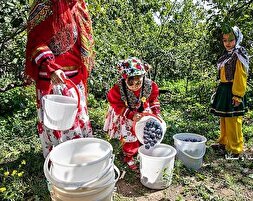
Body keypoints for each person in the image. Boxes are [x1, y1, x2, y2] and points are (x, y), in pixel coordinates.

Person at [25, 0, 95, 158]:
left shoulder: (79, 6)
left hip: (74, 80)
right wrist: (51, 67)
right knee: (57, 123)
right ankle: (60, 161)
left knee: (79, 119)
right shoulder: (44, 6)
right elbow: (35, 42)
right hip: (52, 80)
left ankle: (81, 158)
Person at [103, 57, 161, 170]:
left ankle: (142, 148)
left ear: (143, 76)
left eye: (138, 82)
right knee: (129, 135)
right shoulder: (117, 89)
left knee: (143, 131)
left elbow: (153, 99)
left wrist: (156, 113)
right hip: (125, 112)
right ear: (125, 79)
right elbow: (116, 105)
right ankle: (129, 154)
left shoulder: (150, 85)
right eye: (131, 83)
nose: (135, 86)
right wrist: (131, 115)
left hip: (141, 110)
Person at [210, 26, 249, 157]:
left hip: (233, 90)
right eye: (225, 40)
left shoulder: (239, 55)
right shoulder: (227, 55)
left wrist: (237, 94)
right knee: (224, 118)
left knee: (233, 120)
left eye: (231, 40)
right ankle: (224, 142)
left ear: (237, 39)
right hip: (224, 89)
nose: (228, 43)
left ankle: (235, 149)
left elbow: (241, 75)